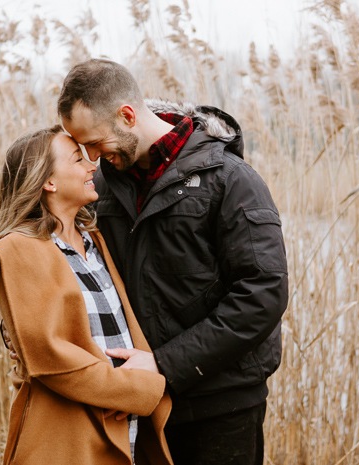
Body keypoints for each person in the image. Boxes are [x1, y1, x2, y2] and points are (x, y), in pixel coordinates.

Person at [55, 59, 289, 465]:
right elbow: (66, 260)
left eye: (94, 143)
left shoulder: (231, 180)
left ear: (127, 115)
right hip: (137, 399)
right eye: (81, 148)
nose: (90, 158)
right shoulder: (102, 187)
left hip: (221, 404)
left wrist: (164, 364)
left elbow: (262, 295)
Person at [0, 125, 173, 465]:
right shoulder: (19, 251)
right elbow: (52, 360)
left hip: (125, 424)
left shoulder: (94, 240)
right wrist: (141, 389)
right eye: (78, 159)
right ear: (48, 182)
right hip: (70, 433)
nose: (91, 165)